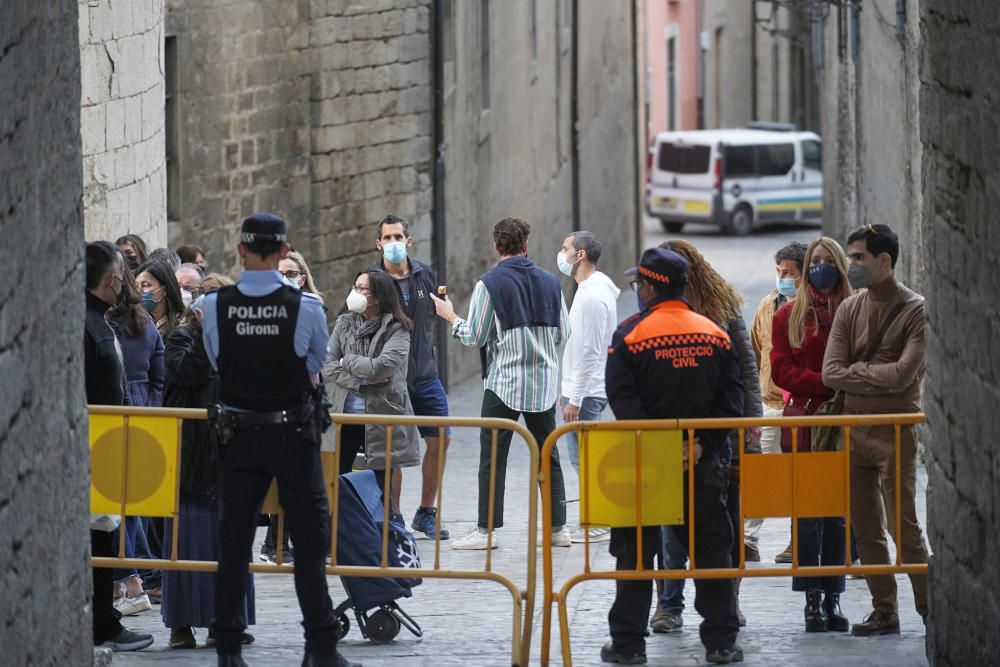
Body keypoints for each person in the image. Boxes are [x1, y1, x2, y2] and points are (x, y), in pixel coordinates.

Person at [201, 213, 358, 667]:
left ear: (240, 251)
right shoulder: (305, 306)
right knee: (309, 546)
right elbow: (316, 364)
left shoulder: (214, 306)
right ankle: (320, 649)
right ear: (284, 252)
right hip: (291, 433)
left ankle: (228, 651)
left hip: (239, 434)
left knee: (233, 546)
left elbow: (216, 362)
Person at [603, 247, 743, 665]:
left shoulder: (629, 336)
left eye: (638, 283)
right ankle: (721, 642)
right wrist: (701, 446)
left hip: (645, 465)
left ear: (650, 286)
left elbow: (622, 400)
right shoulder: (715, 334)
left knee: (635, 554)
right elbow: (731, 402)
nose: (637, 290)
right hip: (701, 463)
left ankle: (628, 645)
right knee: (712, 552)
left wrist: (662, 446)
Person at [430, 217, 571, 550]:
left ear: (496, 245)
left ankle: (485, 531)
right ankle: (558, 529)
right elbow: (562, 333)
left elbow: (475, 335)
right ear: (525, 245)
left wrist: (449, 316)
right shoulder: (551, 282)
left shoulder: (489, 284)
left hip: (504, 383)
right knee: (547, 455)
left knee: (493, 457)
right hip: (543, 384)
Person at [648, 239, 760, 634]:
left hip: (719, 436)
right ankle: (669, 604)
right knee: (669, 526)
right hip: (669, 438)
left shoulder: (723, 311)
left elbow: (745, 373)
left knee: (724, 523)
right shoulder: (654, 314)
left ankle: (727, 602)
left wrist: (752, 429)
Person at [822, 224, 929, 637]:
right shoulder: (850, 309)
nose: (852, 265)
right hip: (853, 429)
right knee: (866, 527)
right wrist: (874, 375)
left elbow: (905, 376)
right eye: (850, 257)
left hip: (894, 428)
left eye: (859, 257)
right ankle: (884, 609)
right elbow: (831, 373)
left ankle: (930, 609)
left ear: (885, 262)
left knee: (904, 527)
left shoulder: (916, 310)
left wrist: (857, 374)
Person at [771, 237, 856, 632]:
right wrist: (826, 383)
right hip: (806, 421)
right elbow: (781, 369)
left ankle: (834, 596)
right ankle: (811, 600)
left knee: (837, 514)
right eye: (815, 261)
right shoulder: (788, 314)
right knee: (807, 514)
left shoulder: (855, 310)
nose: (821, 267)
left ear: (839, 265)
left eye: (828, 260)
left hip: (845, 421)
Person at [161, 296, 256, 650]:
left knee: (229, 542)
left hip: (230, 455)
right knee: (186, 543)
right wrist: (205, 335)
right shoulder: (180, 339)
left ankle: (226, 621)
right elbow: (187, 371)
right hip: (191, 455)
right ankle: (181, 624)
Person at [84, 240, 154, 652]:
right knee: (98, 537)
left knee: (106, 535)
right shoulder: (85, 323)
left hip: (108, 444)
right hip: (93, 446)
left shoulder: (99, 321)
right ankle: (101, 626)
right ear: (111, 280)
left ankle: (103, 622)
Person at [372, 215, 452, 540]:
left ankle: (426, 512)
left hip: (425, 376)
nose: (393, 243)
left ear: (409, 240)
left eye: (398, 237)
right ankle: (393, 516)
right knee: (394, 451)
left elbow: (436, 310)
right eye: (387, 238)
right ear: (379, 244)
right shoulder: (372, 280)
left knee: (441, 438)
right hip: (390, 381)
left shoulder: (423, 274)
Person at [323, 269, 421, 493]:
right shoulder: (344, 322)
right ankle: (343, 525)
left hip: (379, 414)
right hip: (344, 414)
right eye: (355, 287)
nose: (355, 292)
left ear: (377, 296)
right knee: (338, 478)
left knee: (381, 481)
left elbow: (379, 368)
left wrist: (346, 359)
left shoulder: (397, 328)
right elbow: (327, 364)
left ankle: (385, 524)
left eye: (362, 288)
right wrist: (361, 382)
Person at [107, 267, 166, 616]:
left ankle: (132, 579)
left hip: (114, 413)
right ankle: (132, 577)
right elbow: (160, 376)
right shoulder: (145, 324)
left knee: (114, 503)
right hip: (144, 412)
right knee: (130, 504)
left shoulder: (105, 324)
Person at [259, 250, 324, 564]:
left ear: (302, 277)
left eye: (291, 273)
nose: (286, 279)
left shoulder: (312, 309)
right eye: (279, 273)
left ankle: (291, 541)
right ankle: (274, 545)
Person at [555, 231, 620, 543]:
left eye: (565, 248)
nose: (562, 253)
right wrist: (566, 389)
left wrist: (575, 397)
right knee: (581, 457)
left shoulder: (593, 296)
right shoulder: (588, 290)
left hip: (588, 393)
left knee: (585, 458)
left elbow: (591, 351)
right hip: (582, 390)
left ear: (579, 255)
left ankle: (600, 519)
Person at [748, 242, 807, 564]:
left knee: (802, 475)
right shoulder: (767, 305)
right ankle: (747, 539)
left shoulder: (816, 309)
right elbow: (756, 349)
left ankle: (799, 540)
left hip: (806, 405)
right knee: (762, 472)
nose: (783, 278)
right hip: (771, 401)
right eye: (779, 272)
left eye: (789, 273)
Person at [136, 259, 185, 339]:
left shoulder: (182, 326)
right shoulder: (135, 324)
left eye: (145, 285)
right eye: (136, 286)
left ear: (164, 290)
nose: (139, 291)